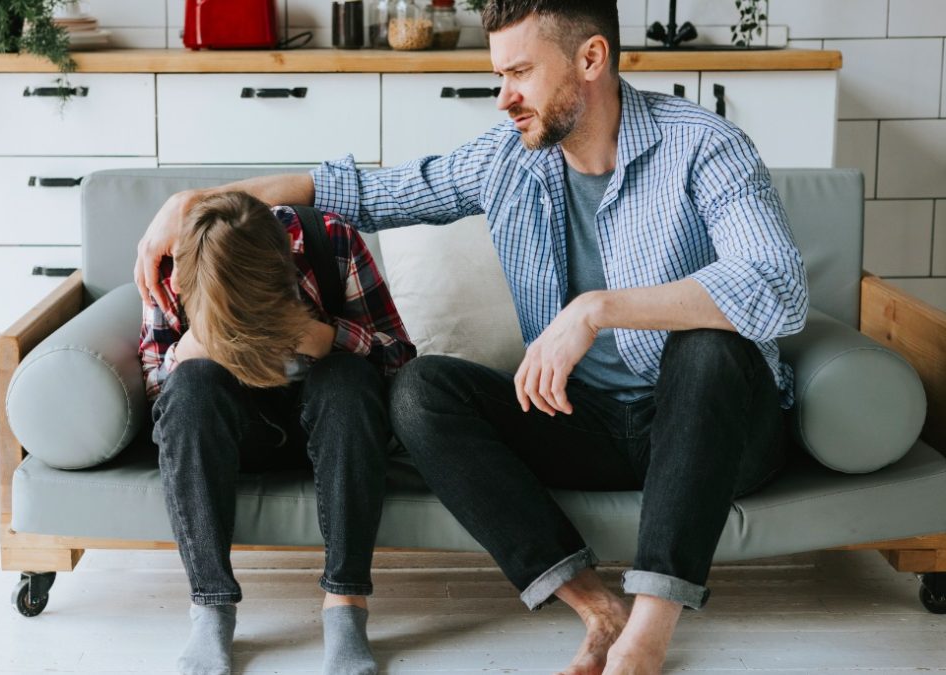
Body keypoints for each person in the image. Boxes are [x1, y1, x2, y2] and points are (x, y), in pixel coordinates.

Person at [135, 1, 808, 672]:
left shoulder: (704, 144)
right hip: (588, 421)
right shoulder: (509, 158)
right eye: (497, 75)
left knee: (708, 346)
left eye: (519, 72)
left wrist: (597, 309)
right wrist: (193, 203)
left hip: (716, 428)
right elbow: (365, 193)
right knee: (421, 391)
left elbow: (776, 285)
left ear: (591, 59)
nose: (502, 98)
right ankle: (597, 607)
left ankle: (647, 637)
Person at [140, 191, 415, 675]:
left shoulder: (331, 243)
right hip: (237, 435)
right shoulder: (171, 267)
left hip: (331, 432)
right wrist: (187, 351)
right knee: (189, 386)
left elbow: (401, 362)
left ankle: (346, 607)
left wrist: (333, 339)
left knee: (348, 379)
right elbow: (157, 398)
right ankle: (211, 609)